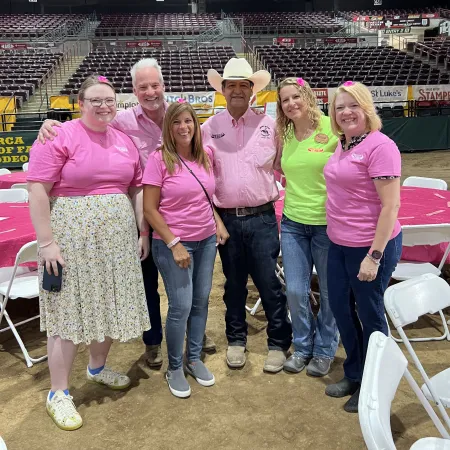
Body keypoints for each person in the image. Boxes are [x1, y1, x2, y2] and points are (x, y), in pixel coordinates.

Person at [37, 58, 216, 368]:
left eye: (155, 85)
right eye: (142, 86)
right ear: (134, 90)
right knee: (146, 284)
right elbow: (86, 125)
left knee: (187, 286)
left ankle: (193, 336)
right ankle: (152, 341)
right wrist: (51, 124)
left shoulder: (178, 118)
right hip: (140, 215)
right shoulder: (120, 121)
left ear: (164, 86)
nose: (150, 91)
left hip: (181, 214)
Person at [27, 75, 150, 430]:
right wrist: (46, 241)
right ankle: (59, 393)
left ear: (117, 103)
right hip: (70, 242)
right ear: (80, 104)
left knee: (109, 303)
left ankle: (96, 367)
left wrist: (142, 230)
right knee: (67, 313)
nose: (103, 106)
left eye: (109, 100)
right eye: (95, 100)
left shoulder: (124, 141)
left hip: (117, 242)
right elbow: (37, 190)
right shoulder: (60, 135)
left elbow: (136, 189)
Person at [202, 58, 292, 373]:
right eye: (232, 85)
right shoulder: (208, 129)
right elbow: (200, 179)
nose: (238, 90)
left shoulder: (270, 127)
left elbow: (285, 166)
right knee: (234, 284)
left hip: (263, 217)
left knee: (269, 282)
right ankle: (236, 340)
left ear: (252, 90)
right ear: (223, 90)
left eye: (244, 84)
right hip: (226, 220)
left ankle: (279, 343)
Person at [323, 81, 402, 413]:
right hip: (338, 243)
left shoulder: (380, 146)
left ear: (367, 108)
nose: (345, 112)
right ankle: (355, 373)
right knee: (342, 310)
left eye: (352, 105)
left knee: (370, 316)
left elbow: (390, 207)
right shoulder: (343, 144)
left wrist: (374, 256)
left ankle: (373, 383)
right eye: (339, 107)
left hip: (369, 247)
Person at [143, 101, 229, 398]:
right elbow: (150, 210)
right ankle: (175, 366)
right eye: (177, 122)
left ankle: (193, 359)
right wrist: (174, 242)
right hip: (173, 245)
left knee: (201, 302)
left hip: (206, 240)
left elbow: (205, 197)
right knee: (180, 306)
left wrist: (217, 221)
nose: (184, 127)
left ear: (196, 125)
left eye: (189, 121)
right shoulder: (158, 159)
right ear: (169, 127)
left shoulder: (204, 155)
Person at [276, 77, 339, 376]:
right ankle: (302, 347)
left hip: (327, 225)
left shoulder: (332, 128)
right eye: (285, 100)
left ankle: (325, 348)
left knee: (328, 292)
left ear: (308, 96)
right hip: (292, 223)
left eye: (295, 97)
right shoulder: (286, 133)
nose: (291, 104)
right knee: (297, 292)